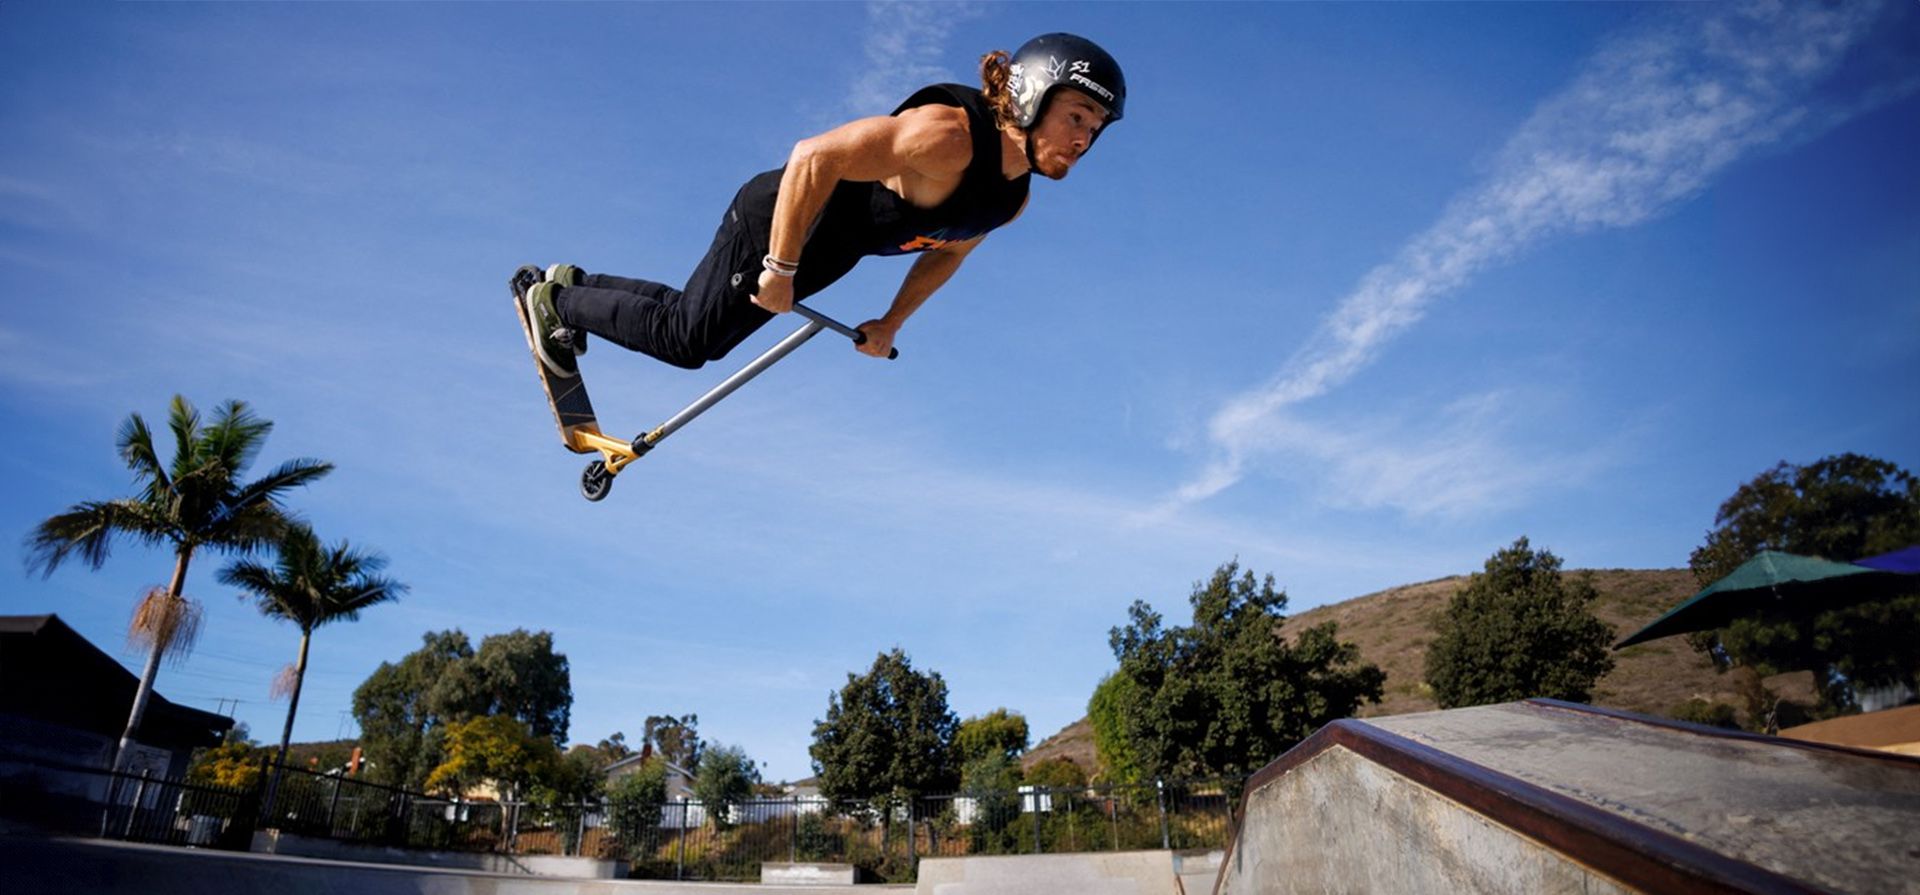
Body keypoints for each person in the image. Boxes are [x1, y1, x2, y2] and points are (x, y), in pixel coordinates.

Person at [517, 33, 1126, 377]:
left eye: (1094, 128)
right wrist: (780, 268)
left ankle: (579, 282)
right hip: (782, 219)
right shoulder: (947, 136)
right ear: (1031, 98)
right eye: (1076, 116)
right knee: (687, 342)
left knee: (698, 324)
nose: (1083, 138)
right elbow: (813, 157)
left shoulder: (1012, 198)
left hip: (832, 253)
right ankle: (554, 300)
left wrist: (891, 322)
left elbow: (949, 253)